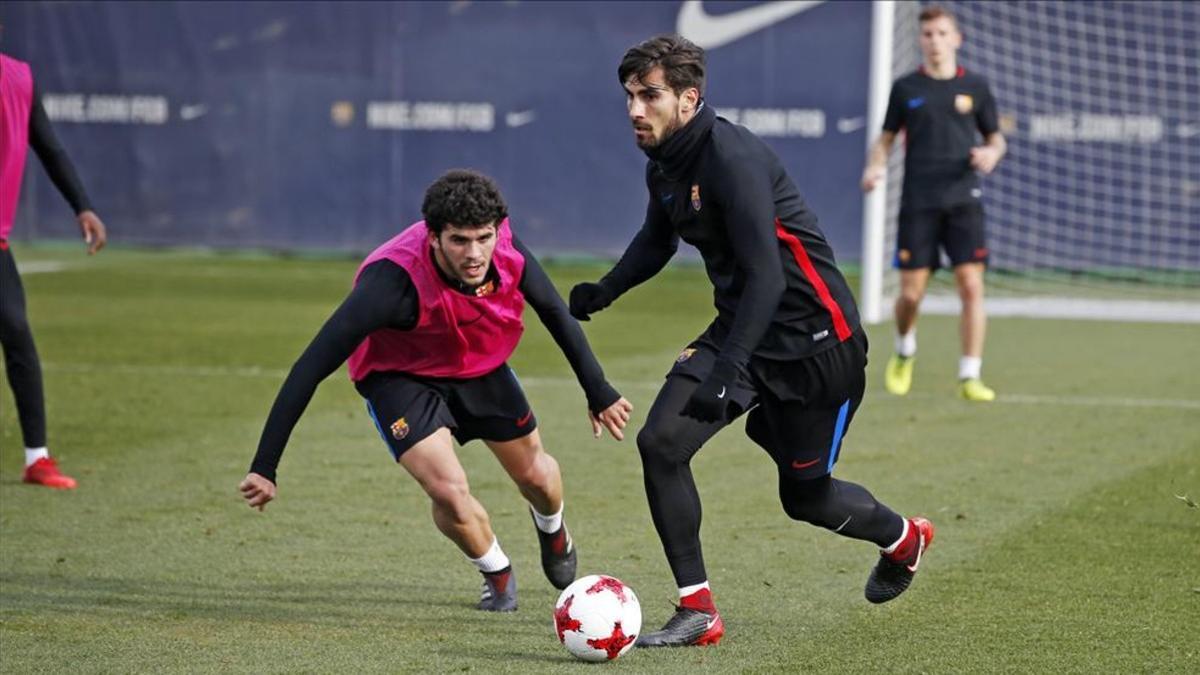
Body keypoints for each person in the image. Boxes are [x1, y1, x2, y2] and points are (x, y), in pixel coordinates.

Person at [569, 35, 933, 648]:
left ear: (689, 98)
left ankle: (903, 538)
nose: (636, 109)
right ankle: (698, 610)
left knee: (806, 498)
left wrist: (725, 370)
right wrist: (606, 290)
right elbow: (658, 240)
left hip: (819, 344)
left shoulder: (730, 159)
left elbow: (767, 274)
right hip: (741, 329)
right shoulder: (663, 159)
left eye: (650, 95)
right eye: (630, 95)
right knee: (661, 443)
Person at [240, 169, 632, 612]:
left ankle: (553, 527)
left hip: (478, 362)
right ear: (433, 237)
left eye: (483, 238)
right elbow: (308, 368)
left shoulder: (504, 248)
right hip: (399, 375)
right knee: (447, 489)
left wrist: (597, 389)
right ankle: (496, 572)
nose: (475, 253)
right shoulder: (391, 283)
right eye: (460, 241)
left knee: (538, 478)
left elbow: (553, 310)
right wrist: (265, 466)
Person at [861, 5, 1006, 402]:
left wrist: (992, 154)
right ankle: (905, 349)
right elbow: (886, 140)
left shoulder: (975, 86)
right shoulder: (907, 88)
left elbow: (995, 138)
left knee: (972, 286)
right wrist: (875, 168)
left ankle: (970, 375)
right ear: (921, 40)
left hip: (964, 199)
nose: (935, 41)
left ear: (956, 38)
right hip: (918, 202)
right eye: (928, 34)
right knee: (910, 295)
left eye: (943, 33)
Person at [2, 52, 108, 489]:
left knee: (16, 329)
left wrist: (82, 205)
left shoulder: (19, 78)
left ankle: (37, 458)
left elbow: (48, 146)